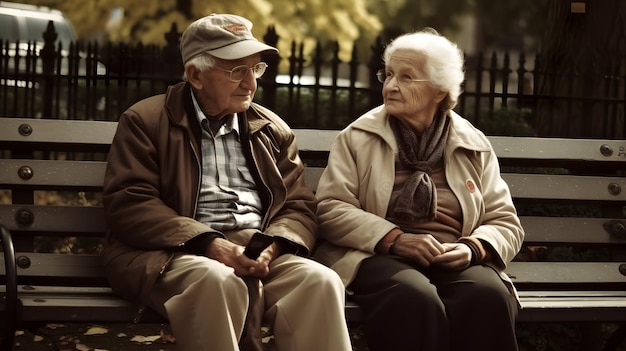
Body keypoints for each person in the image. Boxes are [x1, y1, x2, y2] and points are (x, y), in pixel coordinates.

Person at [102, 13, 352, 351]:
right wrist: (209, 244)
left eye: (256, 69)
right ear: (196, 75)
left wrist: (272, 246)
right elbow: (130, 202)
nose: (251, 84)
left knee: (321, 281)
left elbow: (297, 205)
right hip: (169, 254)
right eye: (237, 71)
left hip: (252, 250)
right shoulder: (145, 121)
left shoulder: (272, 129)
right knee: (217, 280)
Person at [314, 28, 524, 351]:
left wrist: (472, 249)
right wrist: (396, 239)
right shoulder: (357, 137)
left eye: (407, 77)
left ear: (439, 91)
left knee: (488, 295)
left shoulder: (472, 143)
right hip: (376, 255)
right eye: (389, 74)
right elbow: (330, 207)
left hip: (453, 255)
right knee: (414, 296)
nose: (391, 86)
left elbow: (505, 222)